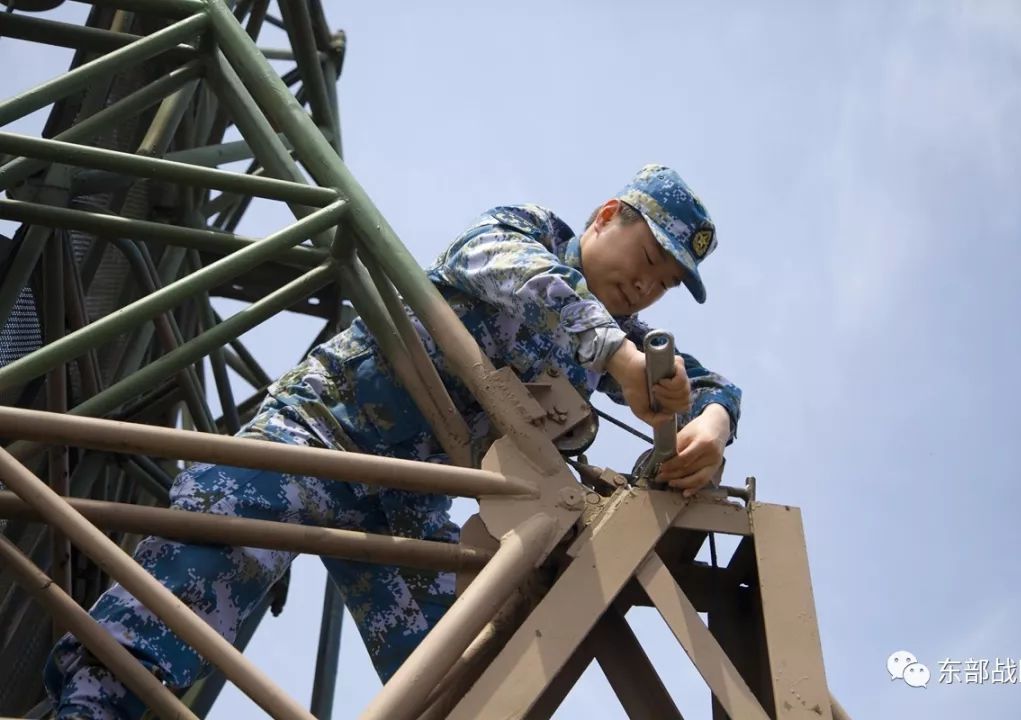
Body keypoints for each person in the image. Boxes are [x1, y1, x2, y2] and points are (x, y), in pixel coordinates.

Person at [44, 164, 743, 719]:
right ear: (604, 218)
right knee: (199, 571)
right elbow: (509, 270)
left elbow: (715, 390)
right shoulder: (523, 234)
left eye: (665, 283)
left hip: (410, 504)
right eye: (648, 257)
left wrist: (710, 426)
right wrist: (615, 359)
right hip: (323, 434)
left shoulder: (619, 341)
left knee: (466, 682)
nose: (647, 286)